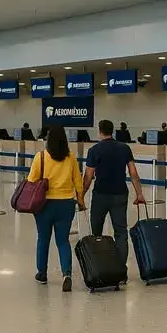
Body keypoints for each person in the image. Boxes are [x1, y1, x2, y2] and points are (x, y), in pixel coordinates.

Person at [82, 120, 147, 274]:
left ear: (100, 131)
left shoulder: (94, 150)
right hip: (120, 195)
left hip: (100, 195)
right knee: (121, 233)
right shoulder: (124, 148)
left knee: (96, 233)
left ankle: (99, 268)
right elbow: (133, 173)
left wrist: (81, 195)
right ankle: (121, 270)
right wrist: (139, 194)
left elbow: (88, 176)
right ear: (112, 131)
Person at [27, 126, 84, 292]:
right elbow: (78, 181)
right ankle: (66, 274)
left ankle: (42, 274)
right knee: (63, 241)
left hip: (44, 204)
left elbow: (31, 180)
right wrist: (80, 200)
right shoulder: (71, 157)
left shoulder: (41, 157)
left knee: (43, 239)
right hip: (66, 204)